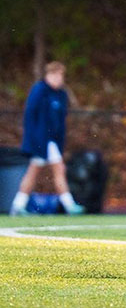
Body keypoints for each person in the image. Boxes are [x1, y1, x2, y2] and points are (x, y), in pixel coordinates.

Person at [10, 61, 85, 216]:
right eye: (56, 75)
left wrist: (59, 142)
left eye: (61, 76)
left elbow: (60, 121)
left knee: (39, 171)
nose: (59, 79)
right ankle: (69, 205)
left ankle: (18, 205)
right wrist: (34, 141)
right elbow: (30, 116)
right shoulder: (39, 90)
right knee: (57, 170)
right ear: (48, 75)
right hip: (40, 142)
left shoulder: (61, 94)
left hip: (52, 142)